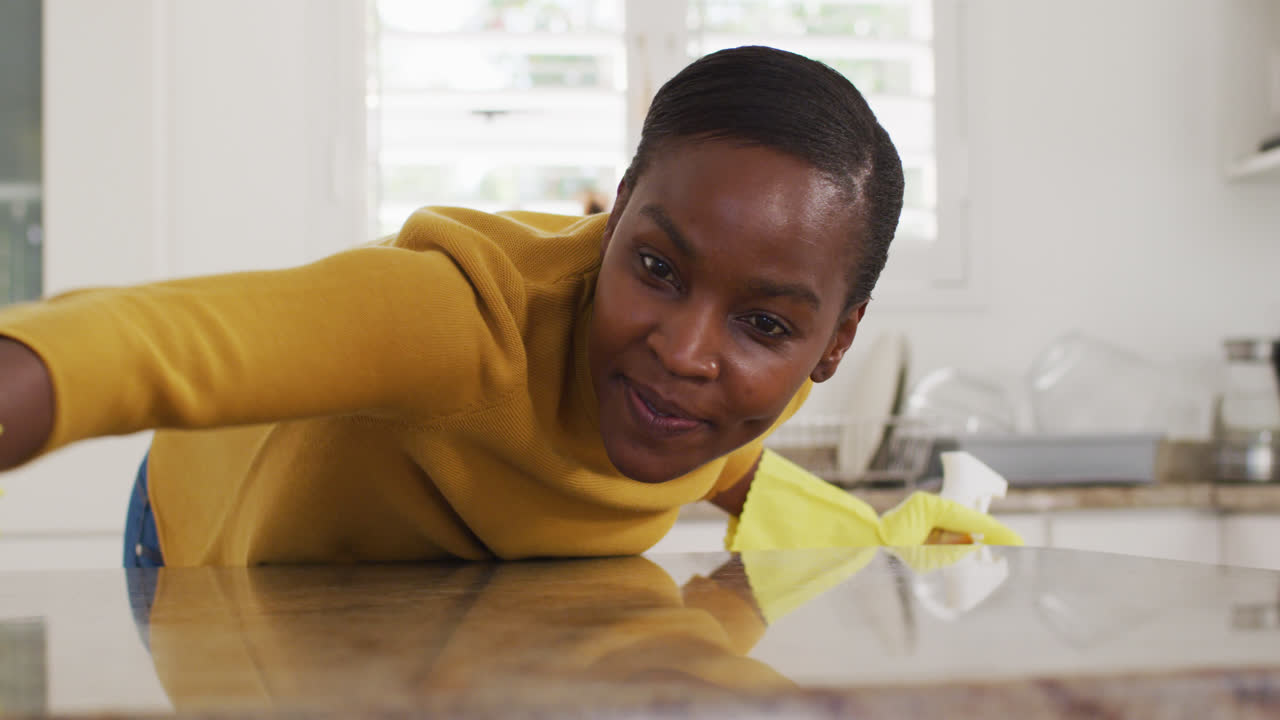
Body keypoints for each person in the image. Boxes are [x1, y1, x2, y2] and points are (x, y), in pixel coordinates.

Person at [0, 46, 1019, 567]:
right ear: (615, 214)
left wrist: (877, 550)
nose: (684, 351)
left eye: (763, 324)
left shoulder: (732, 394)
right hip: (204, 522)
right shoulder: (461, 318)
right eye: (657, 268)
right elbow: (151, 344)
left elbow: (736, 470)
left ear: (832, 342)